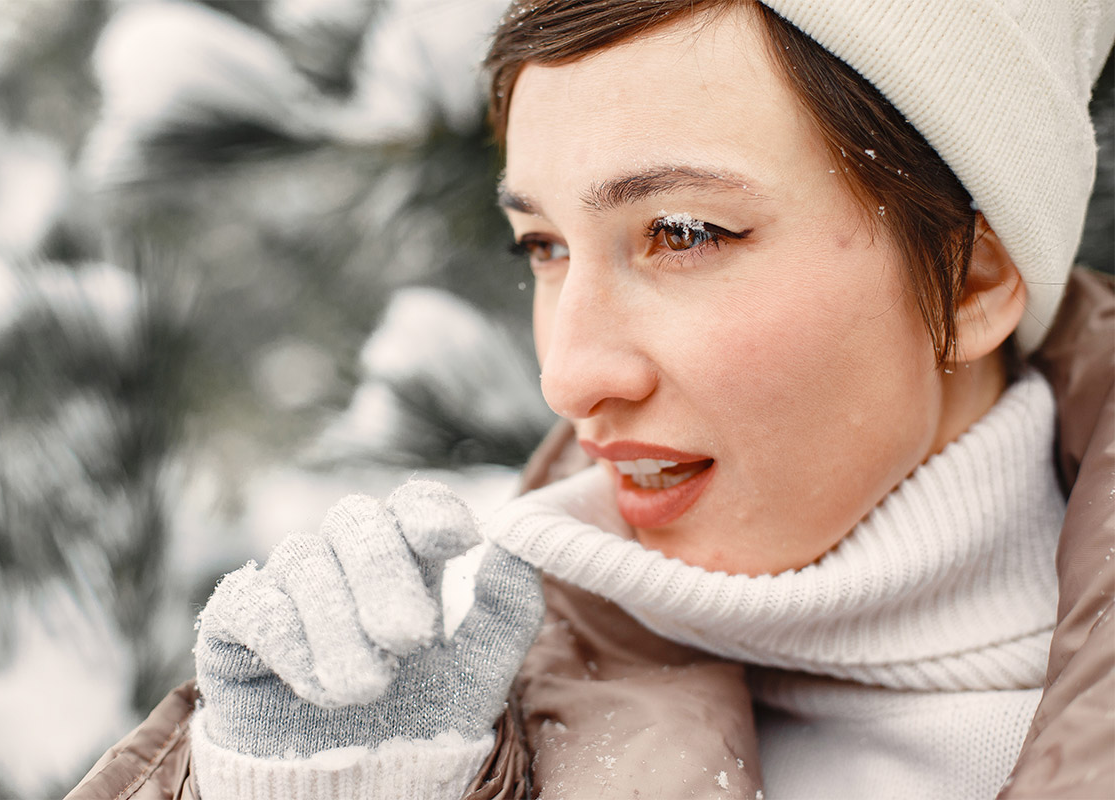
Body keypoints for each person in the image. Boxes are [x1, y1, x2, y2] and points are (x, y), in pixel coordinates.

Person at [68, 1, 1115, 798]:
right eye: (544, 245)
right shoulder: (458, 718)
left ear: (974, 280)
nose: (568, 375)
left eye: (685, 232)